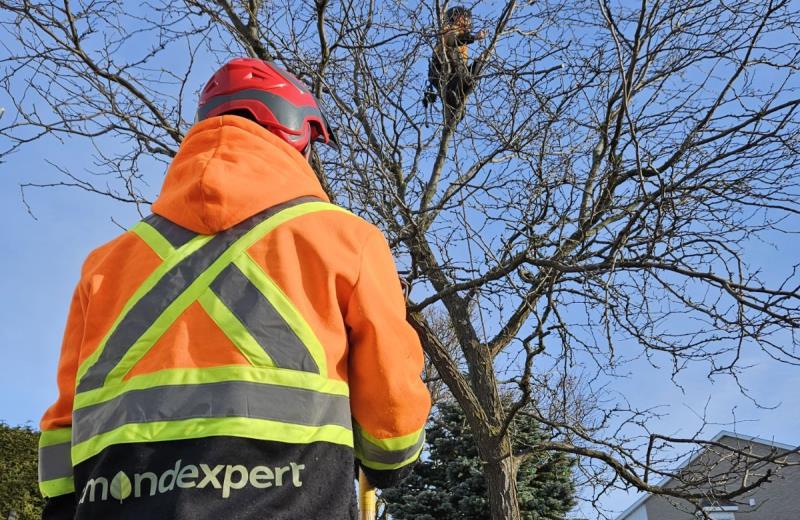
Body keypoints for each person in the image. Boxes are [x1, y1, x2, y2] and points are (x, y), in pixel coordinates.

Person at [37, 58, 431, 520]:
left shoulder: (105, 264)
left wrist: (64, 503)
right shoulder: (347, 241)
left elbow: (65, 424)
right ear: (297, 138)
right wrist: (390, 463)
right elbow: (392, 424)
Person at [423, 6, 487, 119]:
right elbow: (454, 40)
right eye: (463, 17)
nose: (466, 20)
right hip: (440, 70)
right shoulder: (449, 30)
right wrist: (474, 37)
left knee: (472, 76)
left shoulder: (463, 46)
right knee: (459, 67)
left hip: (454, 75)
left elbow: (464, 70)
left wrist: (478, 63)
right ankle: (452, 96)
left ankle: (457, 104)